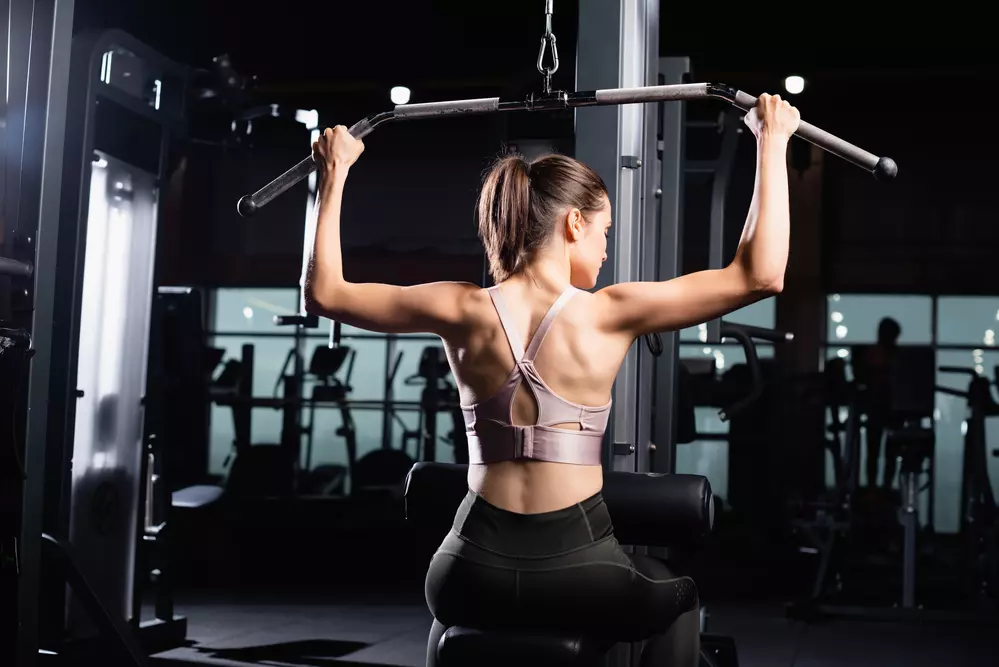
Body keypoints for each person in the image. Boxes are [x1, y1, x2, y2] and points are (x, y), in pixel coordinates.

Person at [304, 93, 799, 667]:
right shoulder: (608, 312)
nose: (607, 249)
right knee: (680, 598)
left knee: (449, 628)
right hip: (579, 575)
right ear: (572, 223)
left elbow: (326, 294)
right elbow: (762, 273)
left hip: (464, 573)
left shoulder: (461, 308)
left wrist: (333, 173)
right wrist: (772, 141)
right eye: (604, 232)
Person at [855, 317, 902, 490]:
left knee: (886, 452)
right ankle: (875, 487)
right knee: (877, 452)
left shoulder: (878, 354)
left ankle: (880, 487)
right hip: (880, 407)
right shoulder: (877, 354)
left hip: (888, 408)